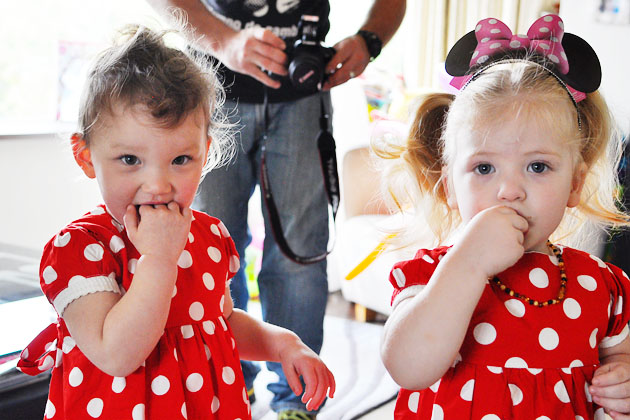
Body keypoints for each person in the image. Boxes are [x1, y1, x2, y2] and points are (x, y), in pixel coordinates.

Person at [17, 25, 335, 420]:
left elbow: (218, 324)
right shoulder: (80, 250)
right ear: (86, 156)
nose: (158, 185)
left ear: (205, 153)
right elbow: (117, 354)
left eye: (180, 160)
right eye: (130, 160)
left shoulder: (209, 236)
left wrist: (282, 343)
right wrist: (160, 259)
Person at [145, 1, 406, 419]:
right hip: (209, 90)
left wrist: (368, 40)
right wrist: (226, 41)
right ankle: (223, 385)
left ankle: (296, 402)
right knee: (207, 254)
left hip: (304, 94)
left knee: (299, 256)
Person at [378, 14, 630, 420]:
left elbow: (621, 357)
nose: (509, 190)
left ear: (575, 185)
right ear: (449, 188)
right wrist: (470, 261)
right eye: (483, 168)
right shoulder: (429, 274)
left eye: (538, 167)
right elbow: (407, 369)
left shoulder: (602, 285)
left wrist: (622, 380)